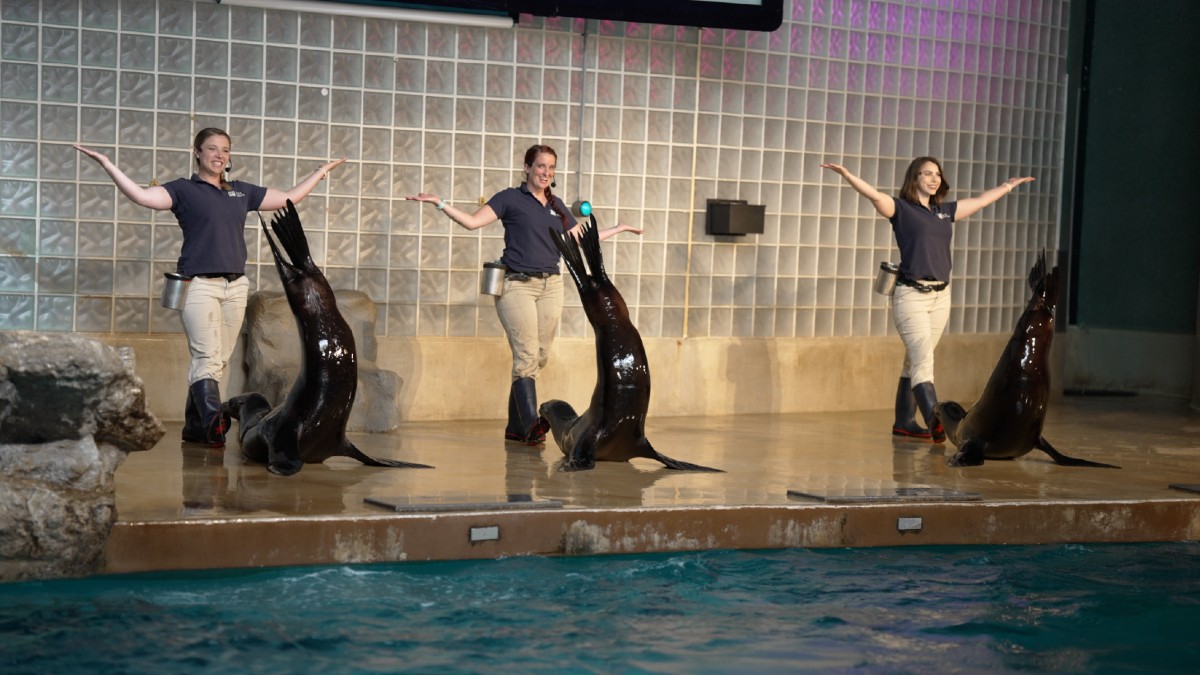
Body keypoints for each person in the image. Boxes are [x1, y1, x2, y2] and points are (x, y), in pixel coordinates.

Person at [75, 129, 346, 447]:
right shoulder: (183, 190)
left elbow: (287, 198)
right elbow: (142, 196)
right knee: (205, 356)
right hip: (198, 285)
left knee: (217, 360)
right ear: (197, 152)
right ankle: (213, 422)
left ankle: (194, 428)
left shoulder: (241, 192)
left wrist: (319, 172)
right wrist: (108, 164)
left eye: (225, 150)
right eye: (212, 148)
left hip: (235, 287)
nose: (219, 155)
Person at [406, 144, 643, 445]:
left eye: (551, 168)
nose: (546, 172)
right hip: (516, 284)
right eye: (541, 166)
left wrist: (618, 228)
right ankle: (531, 425)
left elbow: (581, 240)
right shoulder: (509, 198)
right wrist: (440, 203)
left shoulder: (556, 206)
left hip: (551, 286)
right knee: (526, 356)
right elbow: (472, 222)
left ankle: (516, 427)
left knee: (538, 357)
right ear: (528, 167)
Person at [821, 157, 1034, 442]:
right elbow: (873, 195)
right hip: (911, 296)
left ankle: (904, 421)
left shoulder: (944, 211)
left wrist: (1007, 186)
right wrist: (848, 175)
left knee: (915, 360)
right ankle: (938, 420)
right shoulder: (901, 209)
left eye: (937, 174)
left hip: (941, 297)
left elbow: (981, 201)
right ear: (915, 178)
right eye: (926, 173)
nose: (934, 179)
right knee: (924, 360)